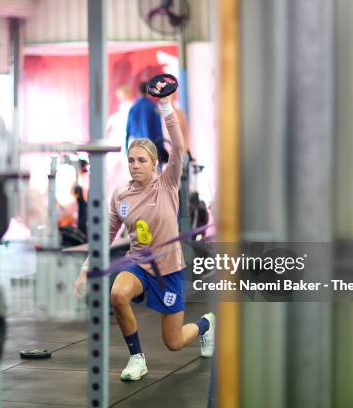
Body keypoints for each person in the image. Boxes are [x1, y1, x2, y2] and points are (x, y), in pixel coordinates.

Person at [73, 96, 215, 381]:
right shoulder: (121, 195)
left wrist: (165, 107)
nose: (135, 165)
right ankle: (137, 358)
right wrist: (85, 269)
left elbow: (177, 146)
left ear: (153, 163)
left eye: (141, 160)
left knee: (173, 342)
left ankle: (205, 326)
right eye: (131, 160)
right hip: (138, 264)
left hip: (169, 270)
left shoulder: (168, 183)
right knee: (117, 293)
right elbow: (107, 234)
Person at [125, 82, 169, 165]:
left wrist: (126, 151)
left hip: (137, 150)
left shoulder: (133, 108)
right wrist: (161, 149)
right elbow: (158, 129)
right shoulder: (153, 107)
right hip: (151, 149)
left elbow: (127, 131)